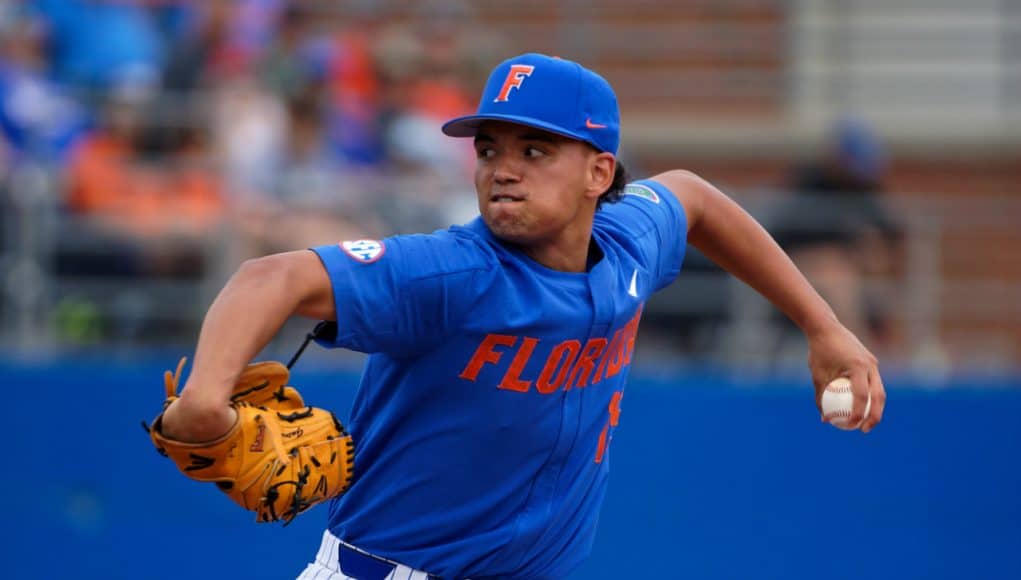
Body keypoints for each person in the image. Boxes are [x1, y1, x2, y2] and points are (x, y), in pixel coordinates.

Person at [158, 53, 886, 579]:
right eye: (489, 149)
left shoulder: (629, 241)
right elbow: (269, 276)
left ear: (599, 173)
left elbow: (693, 198)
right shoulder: (451, 273)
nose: (502, 168)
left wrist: (822, 326)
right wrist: (204, 399)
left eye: (535, 150)